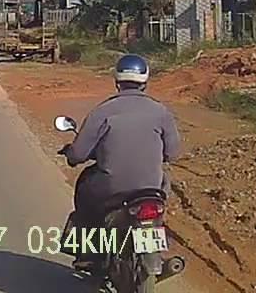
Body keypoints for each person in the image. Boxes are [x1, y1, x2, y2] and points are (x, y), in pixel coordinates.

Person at [62, 54, 181, 270]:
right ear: (145, 81)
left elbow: (78, 154)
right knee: (163, 185)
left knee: (85, 189)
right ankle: (155, 247)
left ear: (117, 81)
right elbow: (172, 154)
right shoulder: (161, 111)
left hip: (112, 188)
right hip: (152, 188)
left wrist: (71, 155)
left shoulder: (103, 111)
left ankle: (90, 252)